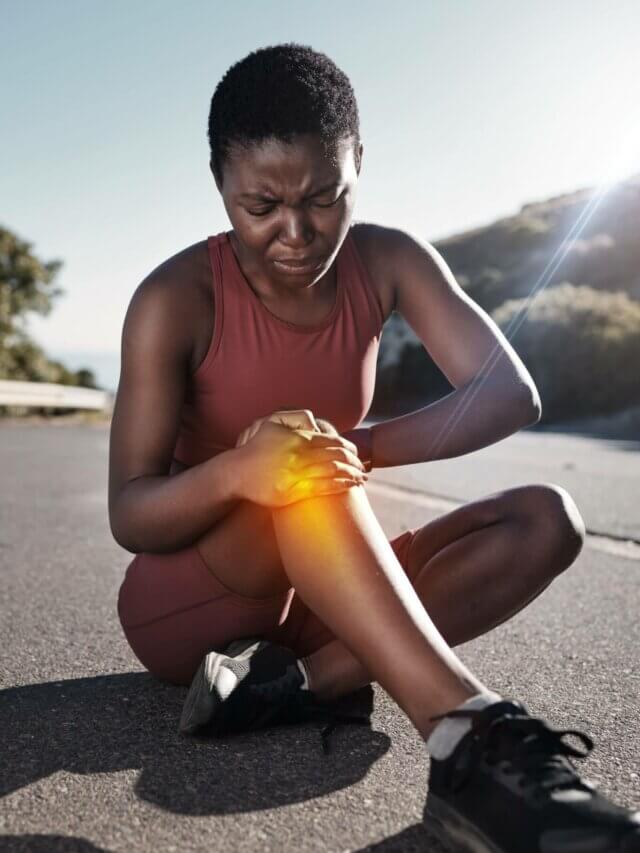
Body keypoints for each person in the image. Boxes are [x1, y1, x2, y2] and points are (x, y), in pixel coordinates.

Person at [109, 42, 640, 853]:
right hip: (193, 598)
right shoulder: (173, 299)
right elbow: (131, 512)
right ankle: (469, 745)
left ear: (358, 161)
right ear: (219, 182)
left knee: (547, 519)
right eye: (261, 206)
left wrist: (355, 445)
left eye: (325, 197)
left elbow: (509, 392)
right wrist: (241, 474)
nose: (296, 231)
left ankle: (298, 685)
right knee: (299, 460)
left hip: (322, 587)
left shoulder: (387, 260)